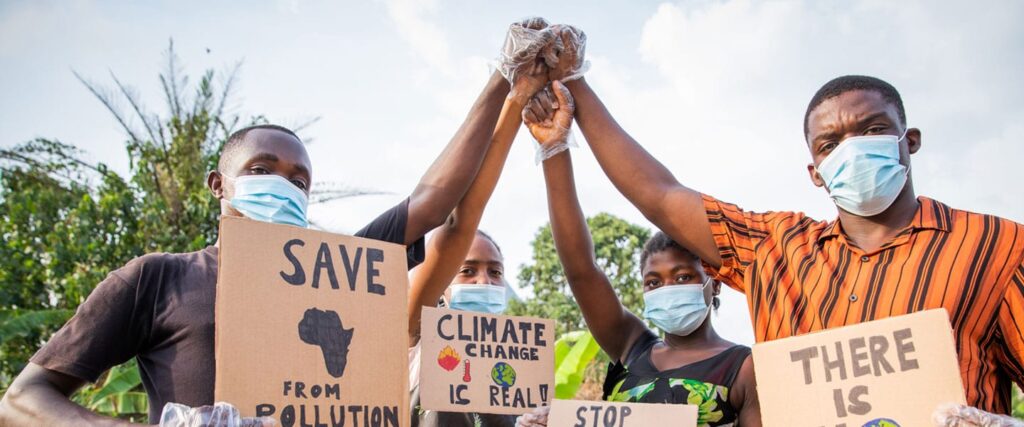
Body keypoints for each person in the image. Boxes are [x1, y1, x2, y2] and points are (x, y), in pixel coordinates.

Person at [0, 54, 514, 424]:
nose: (282, 186)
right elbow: (23, 399)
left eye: (298, 181)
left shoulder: (343, 273)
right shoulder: (157, 278)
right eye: (262, 169)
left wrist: (503, 78)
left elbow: (436, 201)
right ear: (219, 184)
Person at [560, 73, 1024, 417]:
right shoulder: (774, 249)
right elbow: (659, 195)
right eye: (829, 144)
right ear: (815, 171)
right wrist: (576, 82)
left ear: (910, 141)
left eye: (872, 130)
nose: (851, 149)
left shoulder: (999, 247)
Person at [515, 82, 760, 427]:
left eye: (683, 276)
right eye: (653, 282)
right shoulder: (630, 346)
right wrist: (554, 149)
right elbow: (580, 269)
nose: (668, 289)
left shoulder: (745, 367)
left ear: (714, 283)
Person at [404, 18, 587, 427]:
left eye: (495, 273)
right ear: (442, 285)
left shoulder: (521, 375)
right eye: (466, 271)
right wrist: (514, 93)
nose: (484, 284)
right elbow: (457, 224)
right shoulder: (414, 338)